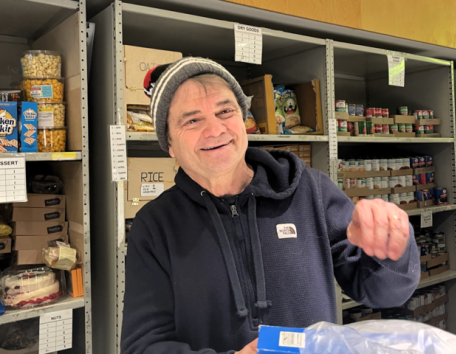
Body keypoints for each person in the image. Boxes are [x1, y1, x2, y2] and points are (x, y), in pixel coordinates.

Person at [121, 57, 420, 354]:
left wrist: (393, 244)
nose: (215, 129)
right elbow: (143, 345)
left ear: (243, 120)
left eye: (225, 111)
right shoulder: (154, 225)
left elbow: (384, 292)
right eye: (192, 120)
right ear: (169, 143)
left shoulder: (310, 192)